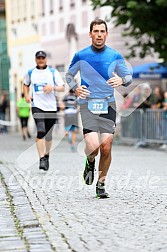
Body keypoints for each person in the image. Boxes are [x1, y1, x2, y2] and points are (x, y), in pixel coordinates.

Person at [66, 19, 132, 199]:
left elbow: (128, 76)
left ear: (106, 34)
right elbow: (69, 75)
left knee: (106, 146)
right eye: (96, 31)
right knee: (93, 146)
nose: (99, 34)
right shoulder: (81, 55)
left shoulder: (114, 55)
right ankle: (90, 161)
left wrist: (121, 80)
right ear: (90, 34)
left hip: (108, 103)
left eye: (102, 31)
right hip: (88, 104)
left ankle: (101, 184)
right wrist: (75, 87)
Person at [24, 51, 64, 171]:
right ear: (35, 59)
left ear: (46, 59)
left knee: (48, 135)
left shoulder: (53, 72)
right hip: (37, 106)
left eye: (43, 58)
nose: (41, 60)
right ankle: (41, 158)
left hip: (51, 107)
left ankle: (47, 156)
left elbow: (62, 87)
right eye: (38, 58)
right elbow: (25, 84)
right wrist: (26, 95)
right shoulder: (31, 72)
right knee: (40, 130)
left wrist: (53, 87)